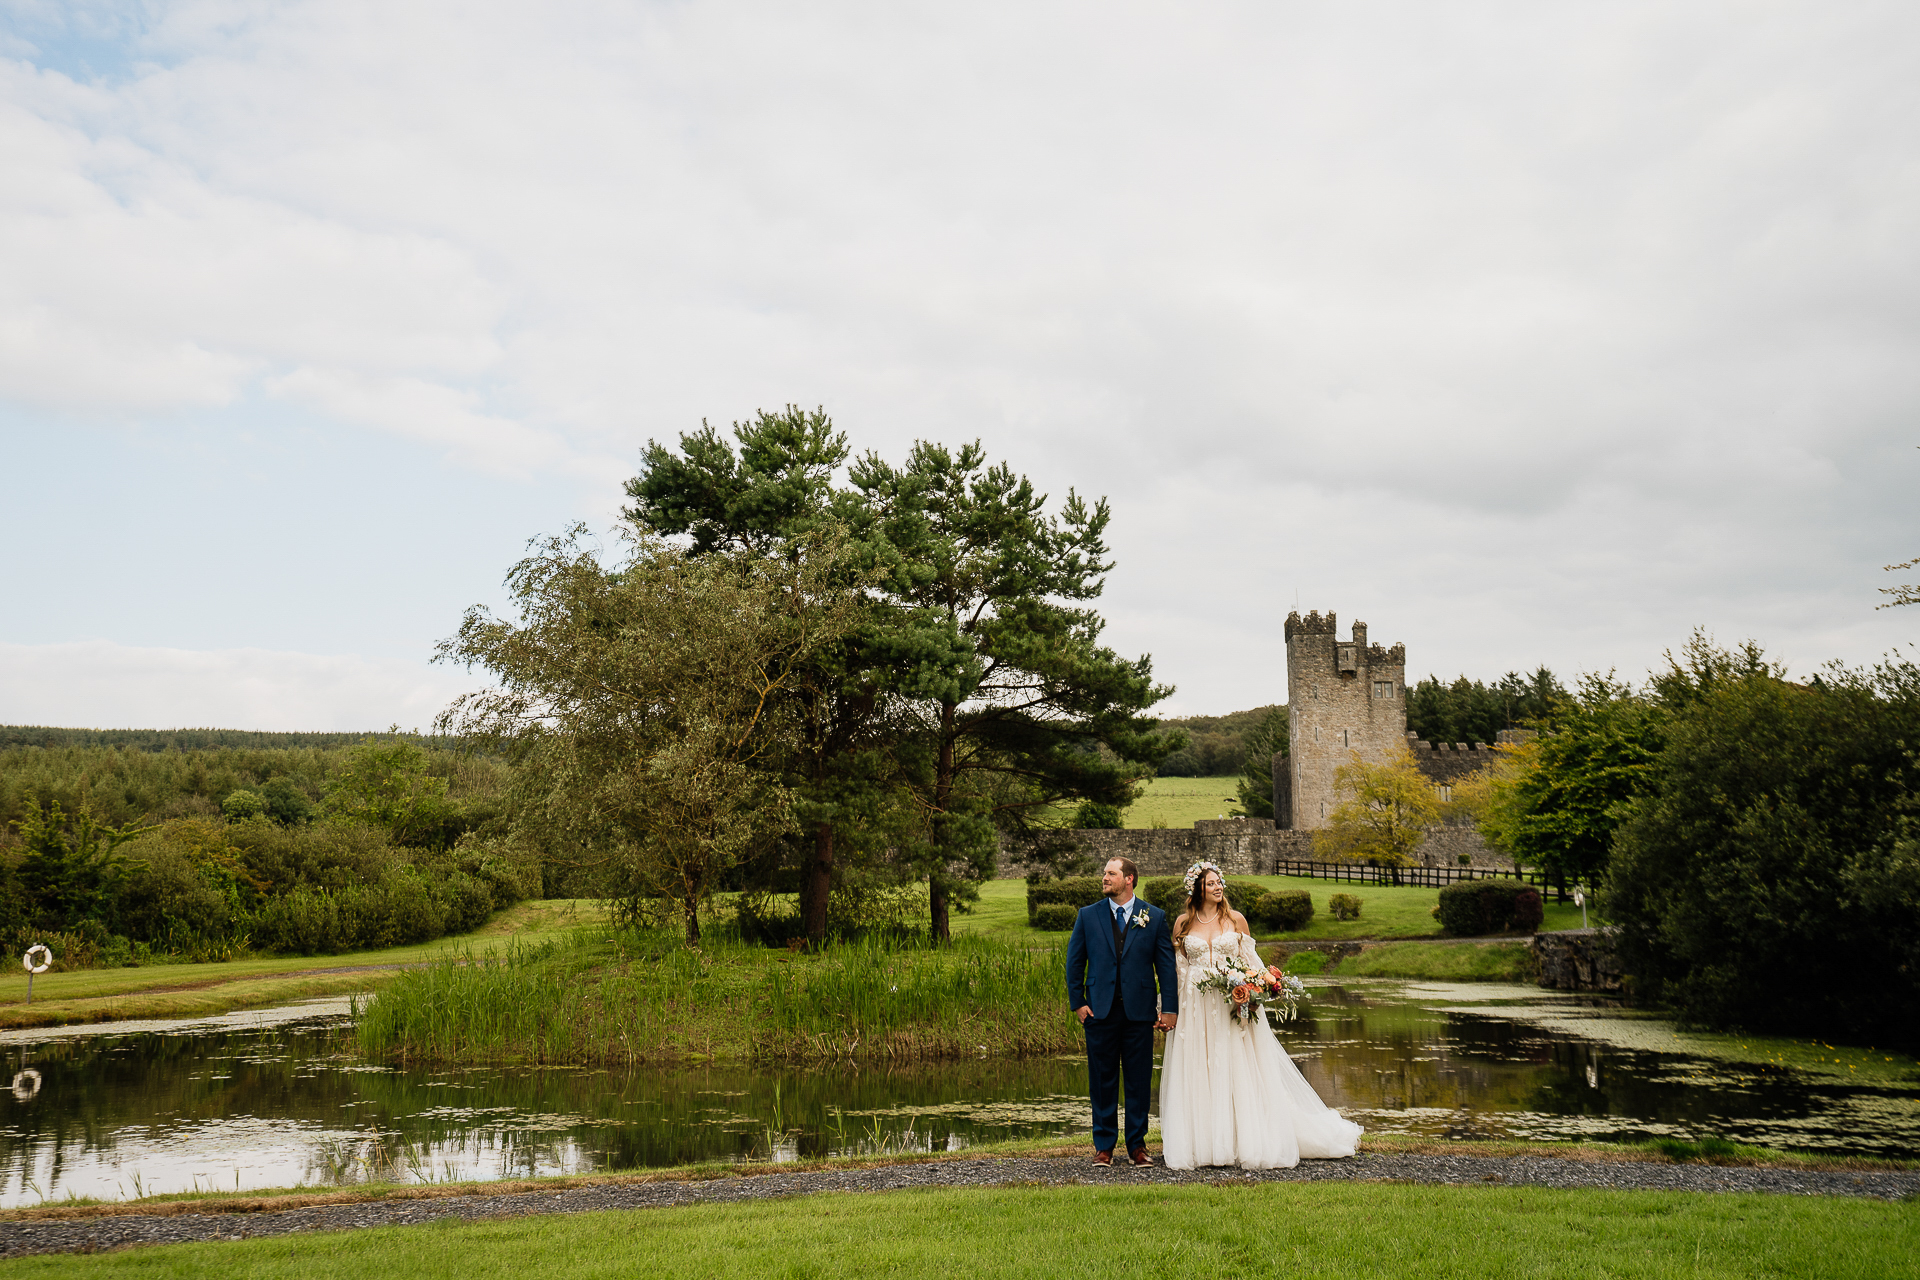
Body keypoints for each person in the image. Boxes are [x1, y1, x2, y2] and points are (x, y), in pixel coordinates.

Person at [1159, 861, 1363, 1169]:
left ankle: (1246, 1139)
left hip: (1232, 1003)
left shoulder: (1235, 919)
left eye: (1219, 882)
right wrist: (1168, 1008)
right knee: (1199, 1067)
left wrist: (1257, 990)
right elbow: (1179, 969)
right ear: (1196, 888)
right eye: (1211, 882)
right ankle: (1206, 1141)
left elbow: (1250, 961)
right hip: (1196, 1007)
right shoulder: (1183, 923)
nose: (1218, 886)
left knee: (1237, 1066)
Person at [1065, 856, 1178, 1167]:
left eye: (1111, 873)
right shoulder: (1088, 916)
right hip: (1098, 1012)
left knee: (1139, 1081)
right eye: (1104, 873)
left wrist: (1169, 1009)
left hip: (1139, 1013)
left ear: (1129, 879)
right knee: (1102, 1080)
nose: (1105, 878)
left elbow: (1166, 968)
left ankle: (1137, 1147)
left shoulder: (1153, 916)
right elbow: (1074, 962)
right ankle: (1104, 1147)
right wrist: (1078, 1003)